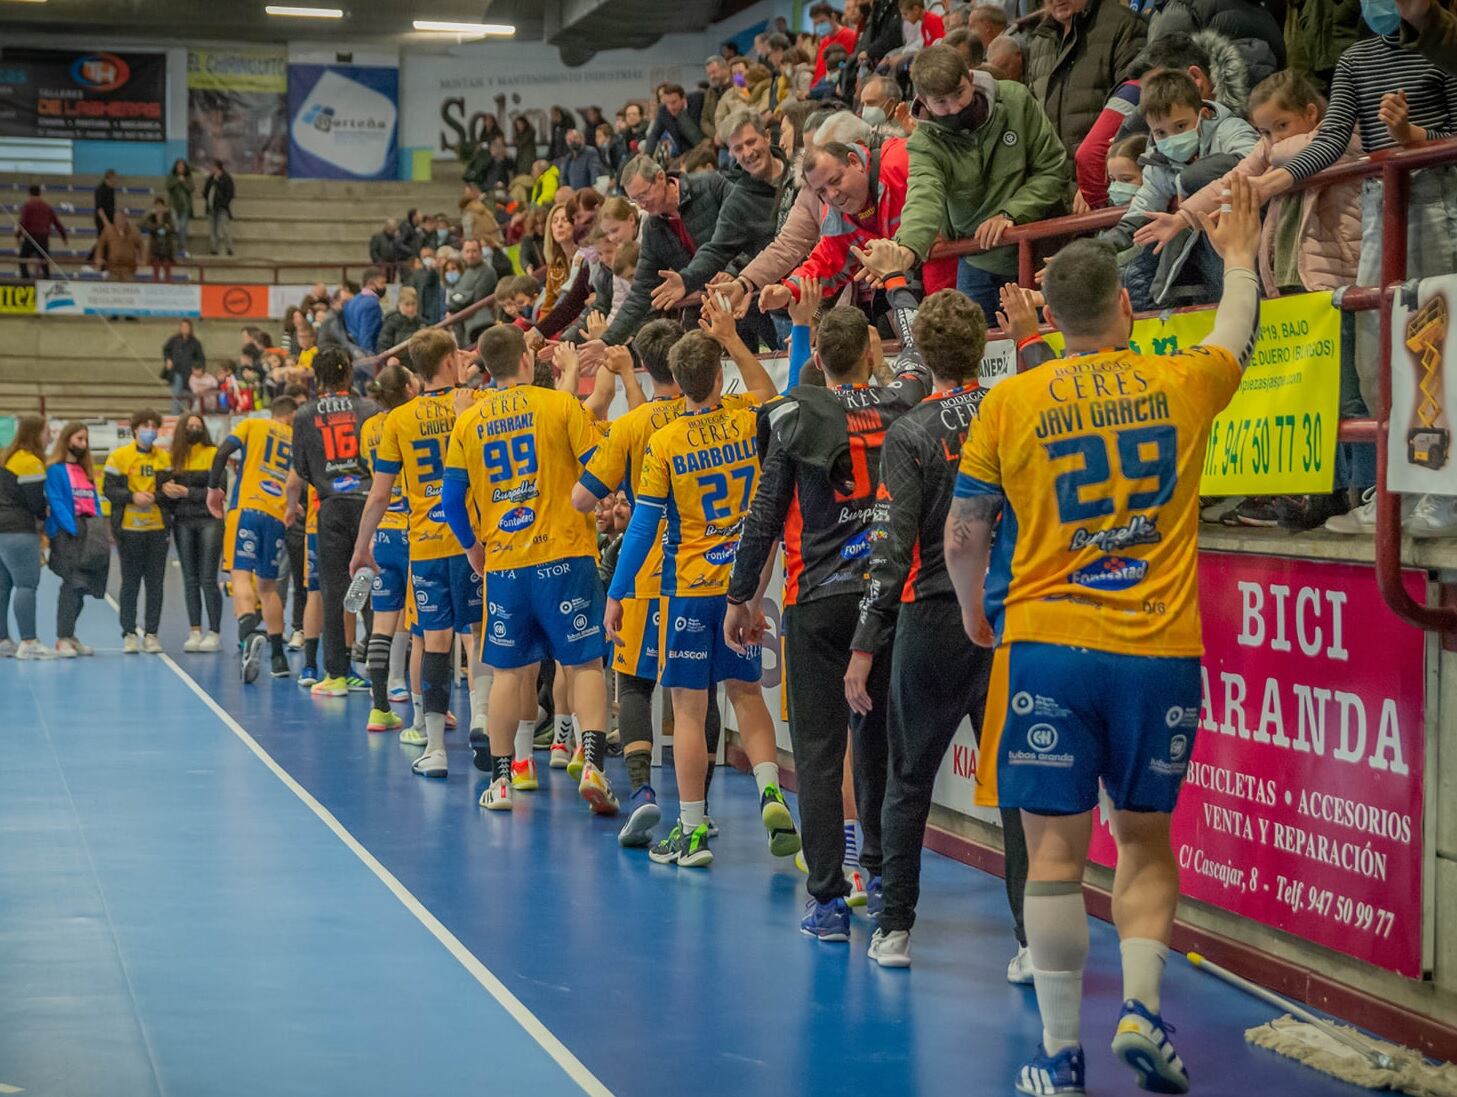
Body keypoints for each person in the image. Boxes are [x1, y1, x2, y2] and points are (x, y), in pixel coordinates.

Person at [944, 177, 1263, 1097]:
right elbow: (1230, 333)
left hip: (1044, 642)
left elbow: (964, 534)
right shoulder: (1179, 381)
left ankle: (1058, 1056)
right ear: (1127, 305)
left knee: (1053, 852)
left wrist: (974, 607)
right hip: (1158, 650)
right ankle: (1141, 1009)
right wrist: (1235, 257)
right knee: (1146, 839)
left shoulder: (1011, 400)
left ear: (1045, 311)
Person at [729, 248, 933, 940]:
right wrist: (899, 284)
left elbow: (763, 514)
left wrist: (739, 597)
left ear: (816, 353)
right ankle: (876, 874)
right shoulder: (902, 396)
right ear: (871, 354)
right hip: (888, 598)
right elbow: (921, 357)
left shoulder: (793, 413)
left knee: (816, 751)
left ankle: (824, 899)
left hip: (815, 600)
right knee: (878, 741)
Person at [842, 270, 1030, 973]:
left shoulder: (910, 430)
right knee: (1016, 782)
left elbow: (886, 551)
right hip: (1007, 616)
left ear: (917, 352)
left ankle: (894, 930)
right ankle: (1030, 941)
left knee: (906, 779)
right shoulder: (1013, 408)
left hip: (929, 617)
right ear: (983, 347)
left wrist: (863, 646)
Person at [1254, 10, 1457, 535]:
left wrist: (1412, 134)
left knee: (1436, 353)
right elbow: (1328, 140)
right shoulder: (1355, 59)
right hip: (1381, 206)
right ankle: (1400, 492)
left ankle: (1445, 494)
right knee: (1377, 357)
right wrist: (1270, 184)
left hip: (1440, 199)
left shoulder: (1444, 50)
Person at [605, 320, 800, 868]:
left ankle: (691, 831)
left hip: (688, 590)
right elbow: (772, 395)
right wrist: (735, 340)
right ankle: (770, 792)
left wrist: (618, 592)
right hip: (745, 582)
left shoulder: (664, 442)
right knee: (745, 694)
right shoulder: (747, 418)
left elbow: (642, 528)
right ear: (719, 375)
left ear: (677, 380)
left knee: (689, 711)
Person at [571, 316, 767, 843]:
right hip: (728, 577)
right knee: (712, 692)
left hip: (657, 577)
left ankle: (644, 793)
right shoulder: (742, 416)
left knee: (637, 684)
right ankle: (715, 805)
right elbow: (768, 395)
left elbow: (591, 500)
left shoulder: (643, 430)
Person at [437, 326, 613, 813]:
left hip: (506, 565)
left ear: (488, 368)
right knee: (584, 664)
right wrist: (588, 500)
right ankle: (593, 763)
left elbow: (451, 500)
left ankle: (499, 782)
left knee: (507, 675)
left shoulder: (468, 423)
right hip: (566, 555)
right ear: (527, 359)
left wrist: (473, 547)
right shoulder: (558, 405)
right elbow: (600, 467)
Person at [350, 330, 483, 781]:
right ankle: (482, 718)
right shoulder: (475, 405)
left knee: (436, 641)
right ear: (449, 360)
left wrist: (361, 546)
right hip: (475, 542)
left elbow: (379, 495)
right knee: (478, 633)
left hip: (424, 544)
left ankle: (434, 747)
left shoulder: (398, 421)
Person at [885, 46, 1070, 321]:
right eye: (941, 102)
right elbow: (924, 195)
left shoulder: (1016, 100)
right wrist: (906, 249)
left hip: (1038, 249)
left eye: (959, 93)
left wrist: (1011, 213)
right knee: (975, 350)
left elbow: (1053, 168)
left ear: (970, 78)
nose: (955, 107)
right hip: (975, 259)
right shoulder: (925, 143)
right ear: (923, 100)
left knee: (1049, 337)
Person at [1101, 69, 1258, 310]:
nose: (1171, 138)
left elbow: (1253, 161)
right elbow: (1136, 217)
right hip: (1200, 258)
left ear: (1203, 113)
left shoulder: (1230, 129)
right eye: (1160, 132)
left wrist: (1188, 180)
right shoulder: (1156, 161)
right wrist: (1093, 251)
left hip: (1250, 237)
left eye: (1181, 126)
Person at [648, 111, 794, 350]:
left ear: (767, 137)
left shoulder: (800, 171)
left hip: (831, 287)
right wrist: (687, 278)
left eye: (751, 142)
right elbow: (716, 249)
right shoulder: (739, 200)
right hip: (783, 307)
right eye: (738, 148)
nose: (747, 153)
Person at [287, 347, 379, 706]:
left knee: (333, 588)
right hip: (369, 502)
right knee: (370, 582)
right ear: (347, 375)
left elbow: (302, 466)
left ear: (317, 377)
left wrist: (329, 484)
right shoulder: (370, 409)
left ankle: (335, 673)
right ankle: (380, 667)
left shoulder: (304, 414)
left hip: (330, 506)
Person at [588, 156, 734, 350]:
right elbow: (640, 293)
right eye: (635, 200)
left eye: (643, 195)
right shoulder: (653, 228)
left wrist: (734, 271)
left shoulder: (711, 184)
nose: (642, 205)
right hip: (706, 308)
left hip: (747, 290)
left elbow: (748, 227)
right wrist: (607, 340)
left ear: (660, 177)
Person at [207, 396, 297, 682]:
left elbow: (222, 452)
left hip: (246, 507)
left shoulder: (253, 425)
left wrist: (213, 489)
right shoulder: (298, 439)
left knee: (241, 575)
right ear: (292, 415)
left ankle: (248, 634)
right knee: (268, 586)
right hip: (277, 514)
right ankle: (279, 658)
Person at [359, 363, 419, 734]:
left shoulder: (369, 427)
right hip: (417, 530)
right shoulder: (410, 420)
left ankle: (379, 707)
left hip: (382, 532)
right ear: (410, 390)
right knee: (428, 629)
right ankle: (430, 711)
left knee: (382, 622)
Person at [1025, 0, 1148, 156]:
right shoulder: (1040, 40)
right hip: (1056, 174)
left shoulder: (1125, 25)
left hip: (1104, 170)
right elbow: (1034, 112)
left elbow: (1132, 103)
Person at [104, 410, 171, 654]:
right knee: (130, 582)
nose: (150, 429)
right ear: (134, 429)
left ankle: (151, 633)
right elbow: (109, 489)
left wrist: (157, 496)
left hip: (157, 529)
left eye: (154, 425)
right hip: (129, 529)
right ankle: (129, 633)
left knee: (155, 584)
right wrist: (132, 496)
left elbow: (171, 493)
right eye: (145, 425)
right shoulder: (119, 457)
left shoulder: (164, 458)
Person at [159, 414, 224, 652]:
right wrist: (166, 488)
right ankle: (194, 630)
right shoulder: (172, 456)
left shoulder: (212, 452)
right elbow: (163, 489)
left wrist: (187, 492)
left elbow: (220, 489)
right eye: (190, 425)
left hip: (209, 520)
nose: (194, 429)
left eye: (198, 425)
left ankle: (214, 632)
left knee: (208, 578)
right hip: (183, 521)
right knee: (190, 579)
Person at [46, 423, 108, 657]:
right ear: (67, 440)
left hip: (89, 531)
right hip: (68, 533)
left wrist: (99, 526)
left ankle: (70, 635)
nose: (83, 444)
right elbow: (56, 500)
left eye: (85, 440)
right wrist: (72, 529)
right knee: (71, 585)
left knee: (84, 586)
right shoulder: (55, 469)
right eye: (79, 439)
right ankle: (62, 638)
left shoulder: (86, 471)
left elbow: (95, 501)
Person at [0, 415, 50, 659]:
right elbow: (35, 503)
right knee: (26, 585)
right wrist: (46, 511)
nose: (49, 436)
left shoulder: (7, 457)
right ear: (35, 434)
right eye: (46, 431)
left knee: (2, 587)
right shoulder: (30, 462)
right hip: (18, 531)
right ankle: (28, 641)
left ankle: (2, 641)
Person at [448, 240, 499, 345]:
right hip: (461, 325)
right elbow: (455, 296)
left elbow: (477, 300)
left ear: (481, 252)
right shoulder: (465, 271)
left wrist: (458, 303)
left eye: (474, 251)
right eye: (467, 251)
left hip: (480, 325)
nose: (470, 255)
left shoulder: (487, 271)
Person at [16, 185, 67, 280]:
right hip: (43, 238)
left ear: (29, 194)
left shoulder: (28, 205)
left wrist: (18, 236)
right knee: (44, 262)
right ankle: (46, 280)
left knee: (22, 259)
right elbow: (57, 223)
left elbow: (23, 222)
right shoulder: (47, 207)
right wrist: (64, 236)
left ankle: (25, 279)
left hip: (31, 237)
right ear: (40, 193)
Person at [163, 320, 207, 415]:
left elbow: (200, 358)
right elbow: (166, 350)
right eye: (182, 326)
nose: (184, 329)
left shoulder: (195, 343)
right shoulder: (174, 340)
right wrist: (168, 359)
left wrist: (199, 370)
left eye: (186, 327)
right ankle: (175, 415)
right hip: (177, 372)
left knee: (190, 396)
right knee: (177, 394)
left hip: (190, 374)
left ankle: (191, 414)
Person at [344, 267, 388, 360]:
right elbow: (367, 336)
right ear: (371, 283)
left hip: (353, 353)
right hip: (365, 356)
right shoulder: (372, 304)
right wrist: (370, 361)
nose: (384, 287)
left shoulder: (352, 301)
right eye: (382, 283)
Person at [811, 3, 860, 83]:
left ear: (833, 17)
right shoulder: (824, 41)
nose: (819, 26)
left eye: (822, 21)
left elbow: (842, 69)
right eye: (816, 24)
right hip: (817, 88)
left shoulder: (849, 36)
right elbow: (819, 70)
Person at [97, 210, 143, 283]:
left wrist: (141, 258)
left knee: (130, 288)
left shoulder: (134, 231)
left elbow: (141, 245)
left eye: (121, 219)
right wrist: (99, 257)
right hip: (113, 270)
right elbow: (100, 244)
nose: (119, 222)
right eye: (117, 219)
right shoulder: (109, 230)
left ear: (125, 220)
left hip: (128, 270)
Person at [140, 197, 179, 284]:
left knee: (168, 274)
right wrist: (149, 214)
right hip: (155, 250)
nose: (159, 209)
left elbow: (173, 228)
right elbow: (141, 224)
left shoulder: (169, 217)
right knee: (155, 274)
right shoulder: (151, 218)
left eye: (161, 206)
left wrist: (159, 227)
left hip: (167, 249)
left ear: (164, 207)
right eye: (157, 206)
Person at [203, 159, 235, 256]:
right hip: (211, 208)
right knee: (213, 230)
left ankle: (229, 248)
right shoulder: (210, 178)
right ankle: (214, 249)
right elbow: (206, 191)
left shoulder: (226, 178)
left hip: (222, 208)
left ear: (217, 167)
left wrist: (223, 203)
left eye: (212, 166)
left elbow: (230, 193)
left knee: (225, 229)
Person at [377, 285, 423, 353]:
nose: (411, 308)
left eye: (413, 304)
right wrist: (389, 359)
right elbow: (382, 346)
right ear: (399, 304)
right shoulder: (391, 322)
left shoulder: (421, 323)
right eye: (407, 304)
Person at [166, 159, 194, 257]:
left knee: (182, 227)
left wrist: (184, 182)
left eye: (182, 167)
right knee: (176, 228)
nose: (180, 168)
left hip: (185, 207)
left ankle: (183, 248)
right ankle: (175, 248)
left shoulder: (188, 177)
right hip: (174, 206)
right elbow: (168, 186)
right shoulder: (172, 177)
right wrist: (178, 180)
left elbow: (191, 188)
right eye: (179, 167)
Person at [90, 169, 118, 267]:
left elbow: (112, 208)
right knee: (102, 241)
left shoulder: (112, 190)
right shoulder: (100, 190)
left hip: (110, 220)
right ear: (108, 179)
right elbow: (100, 209)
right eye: (113, 179)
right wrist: (106, 223)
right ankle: (90, 260)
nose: (115, 181)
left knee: (108, 242)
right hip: (102, 221)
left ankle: (105, 265)